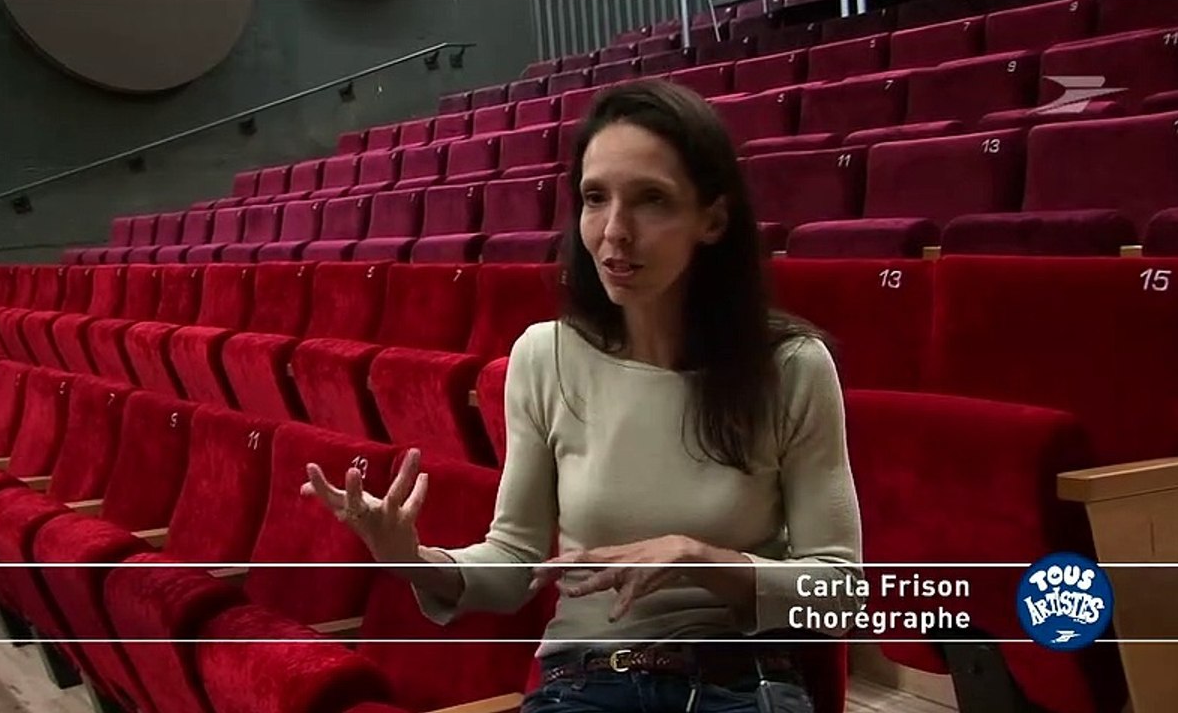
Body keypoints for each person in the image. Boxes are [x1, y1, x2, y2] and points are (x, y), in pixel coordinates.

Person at [302, 79, 863, 713]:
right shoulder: (545, 357)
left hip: (738, 684)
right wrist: (414, 559)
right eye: (596, 199)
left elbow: (841, 592)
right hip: (586, 685)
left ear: (714, 219)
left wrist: (702, 559)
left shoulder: (791, 368)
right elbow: (514, 559)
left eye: (651, 200)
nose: (614, 231)